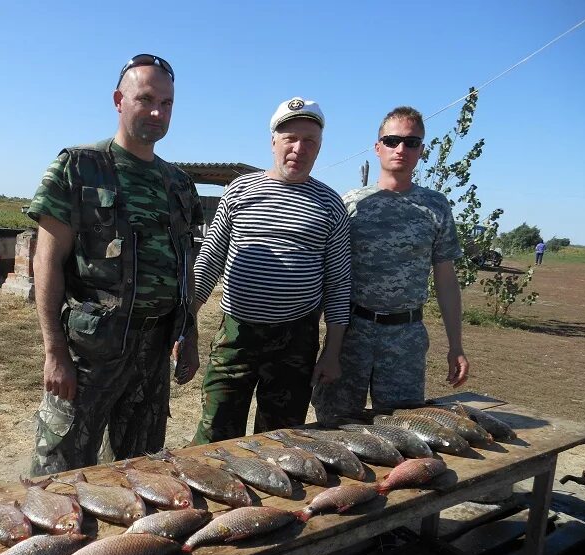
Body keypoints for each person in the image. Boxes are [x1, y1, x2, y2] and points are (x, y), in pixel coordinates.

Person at [27, 54, 203, 475]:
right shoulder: (79, 167)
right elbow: (47, 261)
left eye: (167, 103)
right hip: (91, 352)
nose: (158, 112)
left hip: (153, 353)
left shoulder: (178, 184)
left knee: (142, 470)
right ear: (118, 100)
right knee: (60, 471)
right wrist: (54, 352)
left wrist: (189, 332)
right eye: (146, 99)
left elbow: (185, 266)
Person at [189, 97, 351, 445]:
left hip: (295, 341)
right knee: (215, 437)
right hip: (237, 336)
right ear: (273, 141)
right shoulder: (240, 190)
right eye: (290, 138)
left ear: (320, 147)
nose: (299, 148)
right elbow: (210, 260)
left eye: (309, 141)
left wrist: (331, 352)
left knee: (281, 441)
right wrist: (187, 322)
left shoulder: (330, 204)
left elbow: (338, 283)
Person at [312, 106, 469, 424]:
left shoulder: (436, 206)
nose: (401, 149)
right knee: (335, 423)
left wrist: (456, 345)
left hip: (405, 339)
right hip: (351, 334)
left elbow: (446, 281)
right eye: (392, 140)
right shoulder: (351, 203)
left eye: (411, 142)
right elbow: (329, 274)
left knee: (403, 426)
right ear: (377, 147)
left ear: (421, 150)